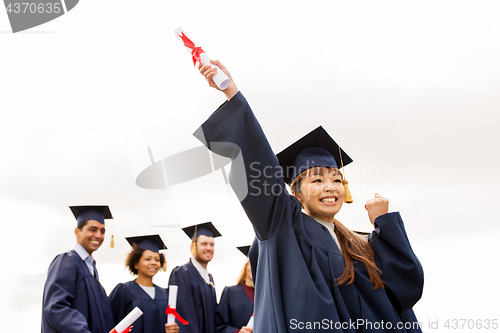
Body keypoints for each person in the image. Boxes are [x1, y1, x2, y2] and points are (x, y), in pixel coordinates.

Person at [194, 61, 424, 332]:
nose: (330, 187)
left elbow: (404, 290)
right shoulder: (283, 228)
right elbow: (261, 172)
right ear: (295, 192)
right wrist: (232, 94)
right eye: (317, 180)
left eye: (336, 180)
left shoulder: (358, 243)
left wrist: (385, 226)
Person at [41, 205, 115, 333]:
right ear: (77, 231)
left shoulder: (91, 269)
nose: (98, 235)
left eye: (102, 231)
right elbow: (56, 307)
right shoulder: (67, 261)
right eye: (93, 230)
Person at [109, 235, 180, 333]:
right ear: (136, 263)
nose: (153, 263)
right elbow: (110, 322)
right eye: (148, 259)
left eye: (157, 259)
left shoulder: (164, 294)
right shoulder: (123, 291)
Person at [168, 222, 221, 333]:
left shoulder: (209, 278)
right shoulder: (181, 273)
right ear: (193, 246)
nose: (209, 248)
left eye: (212, 244)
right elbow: (184, 316)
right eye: (204, 244)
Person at [215, 246, 254, 333]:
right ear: (245, 266)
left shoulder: (269, 296)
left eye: (260, 263)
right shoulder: (230, 293)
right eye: (252, 263)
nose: (256, 267)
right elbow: (219, 326)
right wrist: (237, 332)